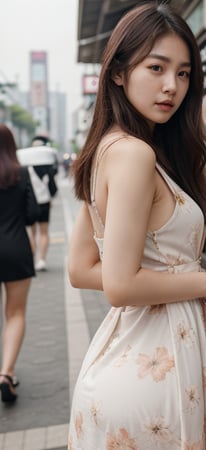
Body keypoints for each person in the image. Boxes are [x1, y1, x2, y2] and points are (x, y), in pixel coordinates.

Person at [68, 2, 206, 448]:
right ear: (119, 72)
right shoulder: (134, 155)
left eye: (183, 73)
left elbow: (82, 269)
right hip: (150, 382)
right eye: (156, 67)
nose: (171, 86)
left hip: (128, 362)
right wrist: (205, 283)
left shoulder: (110, 149)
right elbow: (119, 285)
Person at [0, 124, 39, 402]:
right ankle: (6, 373)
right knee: (15, 313)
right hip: (15, 247)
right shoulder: (21, 174)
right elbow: (32, 214)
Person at [28, 135, 58, 271]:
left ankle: (32, 260)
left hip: (30, 203)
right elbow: (53, 188)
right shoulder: (47, 166)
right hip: (44, 202)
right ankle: (42, 260)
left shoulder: (26, 165)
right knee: (44, 232)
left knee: (32, 233)